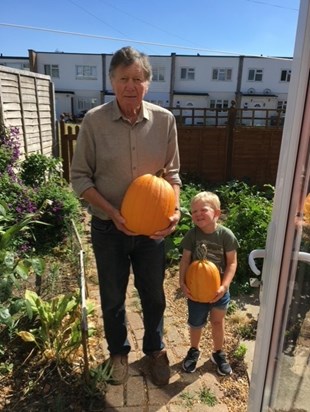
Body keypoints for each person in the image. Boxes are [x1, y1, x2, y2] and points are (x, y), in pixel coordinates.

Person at [71, 46, 181, 386]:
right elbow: (79, 178)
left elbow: (173, 174)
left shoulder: (164, 121)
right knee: (113, 295)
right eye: (123, 79)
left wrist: (174, 210)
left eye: (137, 78)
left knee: (154, 294)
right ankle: (118, 352)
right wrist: (112, 211)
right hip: (108, 228)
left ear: (147, 83)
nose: (130, 85)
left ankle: (155, 350)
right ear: (112, 81)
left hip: (152, 233)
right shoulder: (94, 121)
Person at [179, 191, 239, 375]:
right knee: (196, 323)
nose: (197, 214)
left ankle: (218, 353)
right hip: (196, 291)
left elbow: (232, 263)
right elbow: (185, 260)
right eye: (193, 211)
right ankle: (194, 350)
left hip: (218, 291)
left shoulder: (225, 235)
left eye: (203, 209)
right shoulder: (192, 235)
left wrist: (225, 286)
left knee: (217, 322)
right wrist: (182, 282)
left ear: (217, 213)